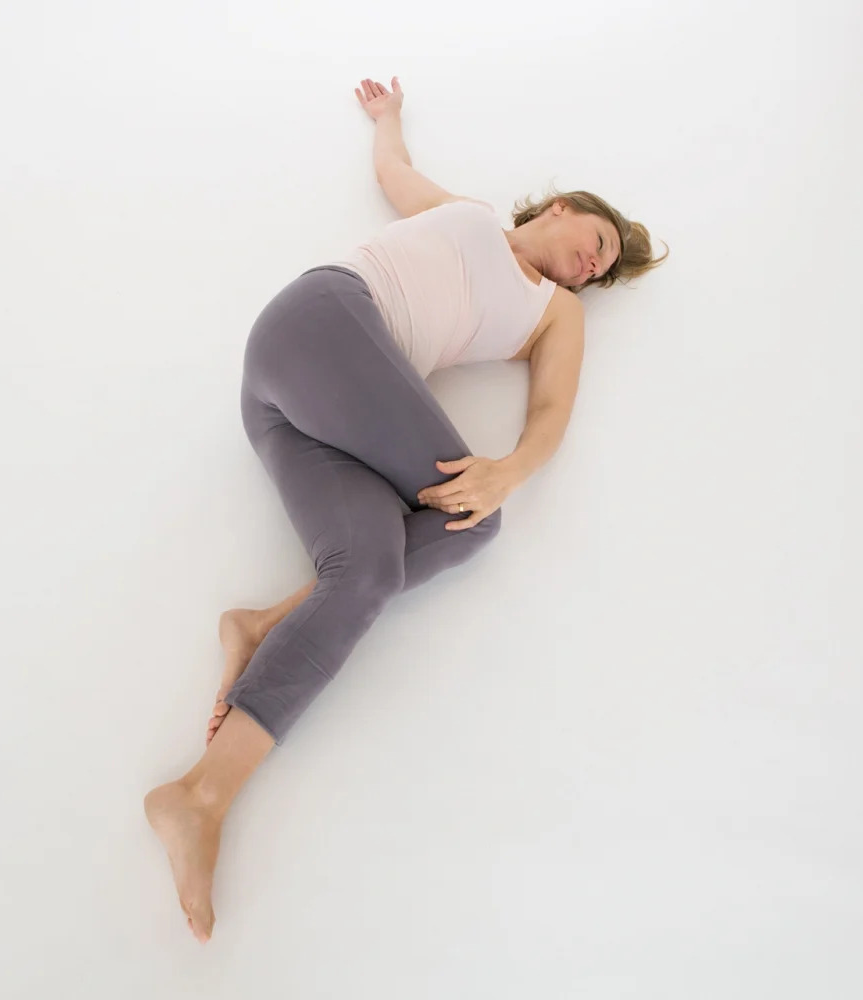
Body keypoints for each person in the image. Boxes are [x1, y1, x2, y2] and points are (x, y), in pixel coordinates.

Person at [144, 76, 669, 943]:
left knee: (372, 570)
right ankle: (267, 644)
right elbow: (395, 173)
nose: (591, 265)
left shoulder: (555, 314)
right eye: (598, 242)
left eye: (603, 270)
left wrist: (509, 470)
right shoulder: (466, 212)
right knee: (476, 522)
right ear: (566, 208)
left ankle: (202, 789)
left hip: (294, 416)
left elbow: (549, 420)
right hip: (322, 322)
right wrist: (387, 119)